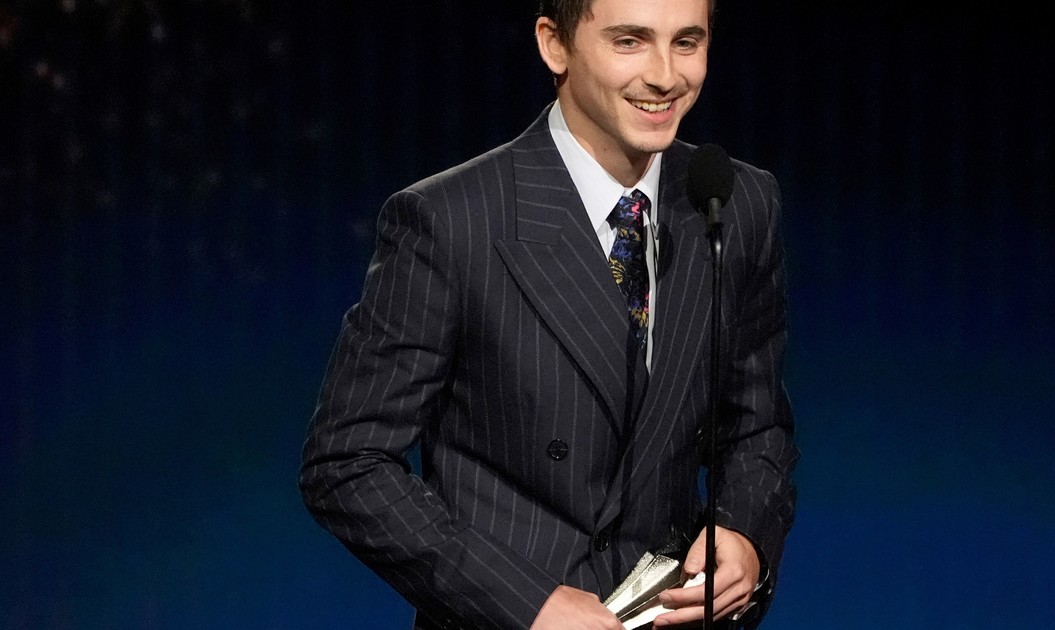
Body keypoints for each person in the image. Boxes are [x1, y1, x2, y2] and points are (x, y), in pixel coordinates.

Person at [299, 0, 797, 628]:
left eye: (687, 42)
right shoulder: (452, 221)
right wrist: (524, 601)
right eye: (630, 41)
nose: (665, 76)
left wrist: (744, 535)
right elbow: (347, 463)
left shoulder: (736, 203)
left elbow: (755, 425)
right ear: (554, 44)